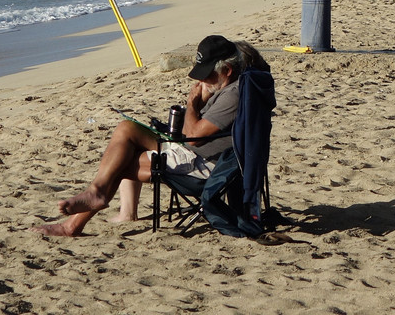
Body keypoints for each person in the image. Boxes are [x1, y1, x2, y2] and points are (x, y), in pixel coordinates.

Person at [33, 35, 265, 237]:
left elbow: (193, 137)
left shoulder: (232, 95)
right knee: (126, 133)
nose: (201, 81)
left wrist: (192, 104)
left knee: (123, 150)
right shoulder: (235, 86)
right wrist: (203, 99)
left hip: (205, 163)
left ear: (227, 70)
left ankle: (79, 218)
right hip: (201, 153)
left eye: (207, 75)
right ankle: (112, 205)